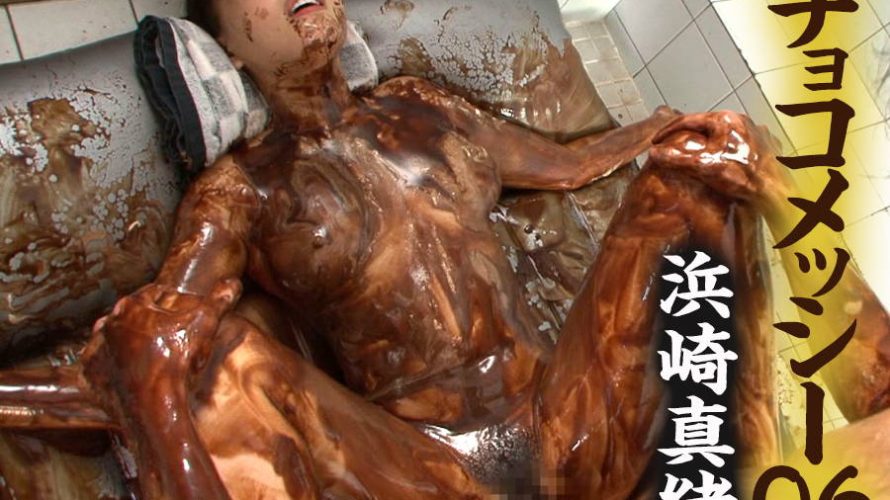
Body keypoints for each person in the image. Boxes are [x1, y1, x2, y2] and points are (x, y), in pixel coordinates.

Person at [2, 0, 888, 498]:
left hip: (564, 422)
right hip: (435, 472)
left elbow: (568, 162)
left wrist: (668, 135)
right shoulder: (242, 189)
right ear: (224, 47)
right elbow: (156, 340)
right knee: (220, 360)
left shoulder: (421, 107)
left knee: (714, 152)